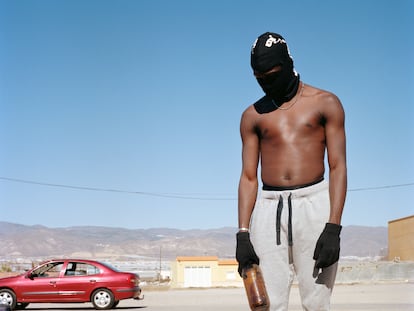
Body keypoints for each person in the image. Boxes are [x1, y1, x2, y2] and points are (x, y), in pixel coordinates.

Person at [236, 32, 347, 311]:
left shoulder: (325, 103)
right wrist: (242, 233)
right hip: (268, 208)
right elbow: (249, 176)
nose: (266, 83)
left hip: (314, 205)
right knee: (267, 304)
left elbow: (338, 166)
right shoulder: (252, 115)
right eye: (259, 78)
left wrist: (333, 226)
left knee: (316, 303)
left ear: (287, 64)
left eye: (272, 75)